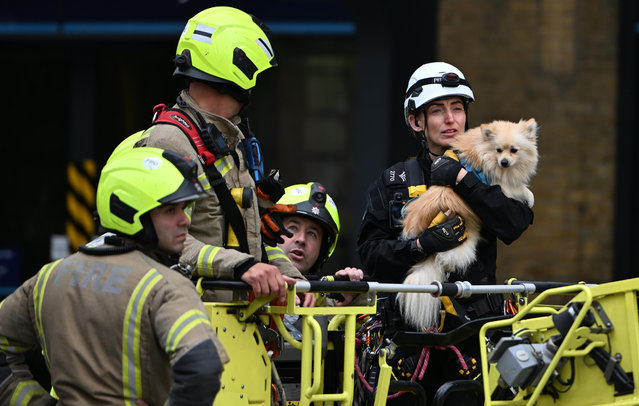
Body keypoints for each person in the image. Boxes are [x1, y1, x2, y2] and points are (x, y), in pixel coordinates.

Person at [356, 62, 534, 403]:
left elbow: (514, 223)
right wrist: (422, 245)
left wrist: (461, 180)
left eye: (457, 109)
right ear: (416, 121)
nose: (451, 119)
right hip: (406, 341)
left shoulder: (491, 168)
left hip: (472, 340)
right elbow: (371, 256)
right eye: (438, 111)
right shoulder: (393, 182)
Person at [0, 147, 228, 405]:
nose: (184, 220)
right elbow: (203, 367)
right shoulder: (167, 287)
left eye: (183, 208)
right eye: (170, 211)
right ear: (128, 211)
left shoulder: (48, 277)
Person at [131, 6, 314, 306]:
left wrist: (306, 287)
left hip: (237, 323)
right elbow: (162, 240)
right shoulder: (171, 141)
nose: (255, 85)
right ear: (234, 66)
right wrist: (240, 266)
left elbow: (252, 246)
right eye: (254, 71)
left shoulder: (232, 139)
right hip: (192, 316)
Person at [277, 182, 364, 306]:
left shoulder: (326, 303)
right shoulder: (247, 284)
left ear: (323, 249)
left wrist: (344, 305)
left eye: (312, 234)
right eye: (293, 228)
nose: (301, 239)